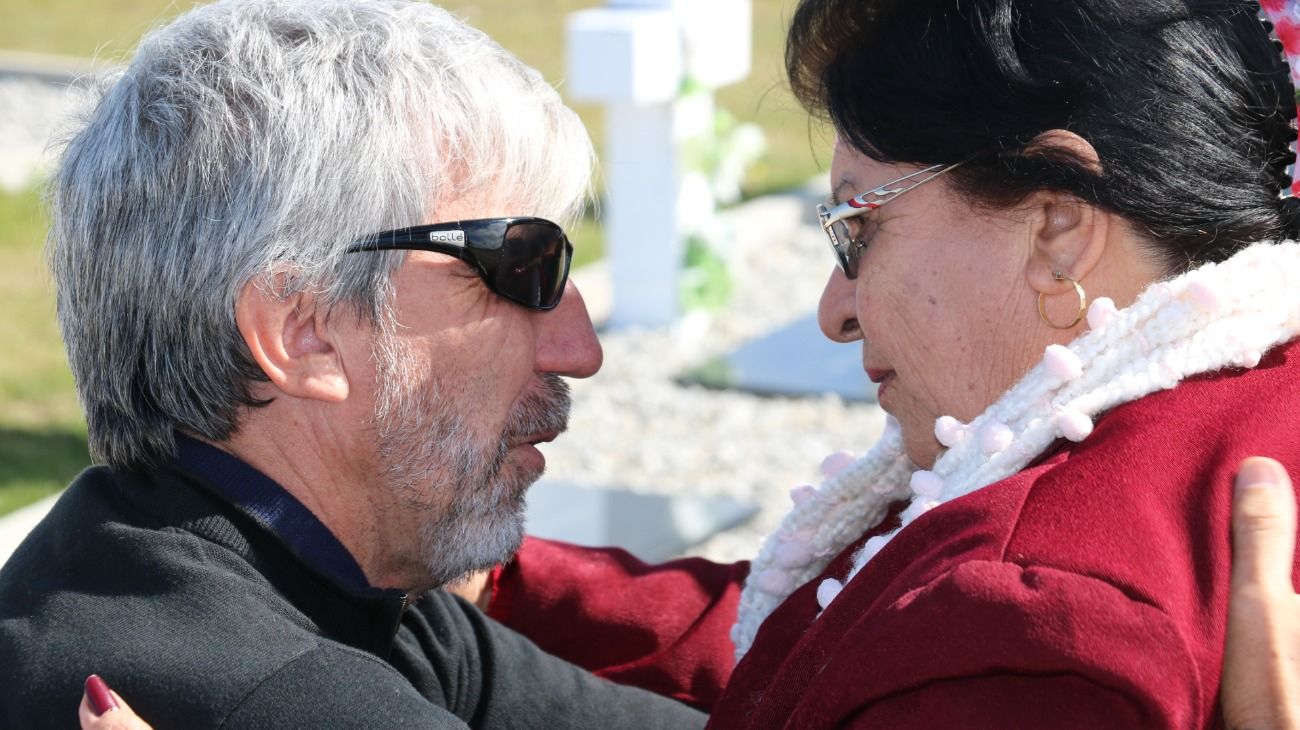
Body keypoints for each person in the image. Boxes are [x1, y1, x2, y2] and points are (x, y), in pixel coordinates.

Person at [450, 0, 1300, 726]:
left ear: (1057, 230)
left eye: (859, 226)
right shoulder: (1247, 398)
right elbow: (836, 631)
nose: (835, 311)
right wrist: (500, 583)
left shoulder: (1028, 621)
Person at [0, 0, 707, 727]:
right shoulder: (284, 690)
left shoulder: (315, 587)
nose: (579, 350)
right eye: (523, 266)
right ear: (301, 332)